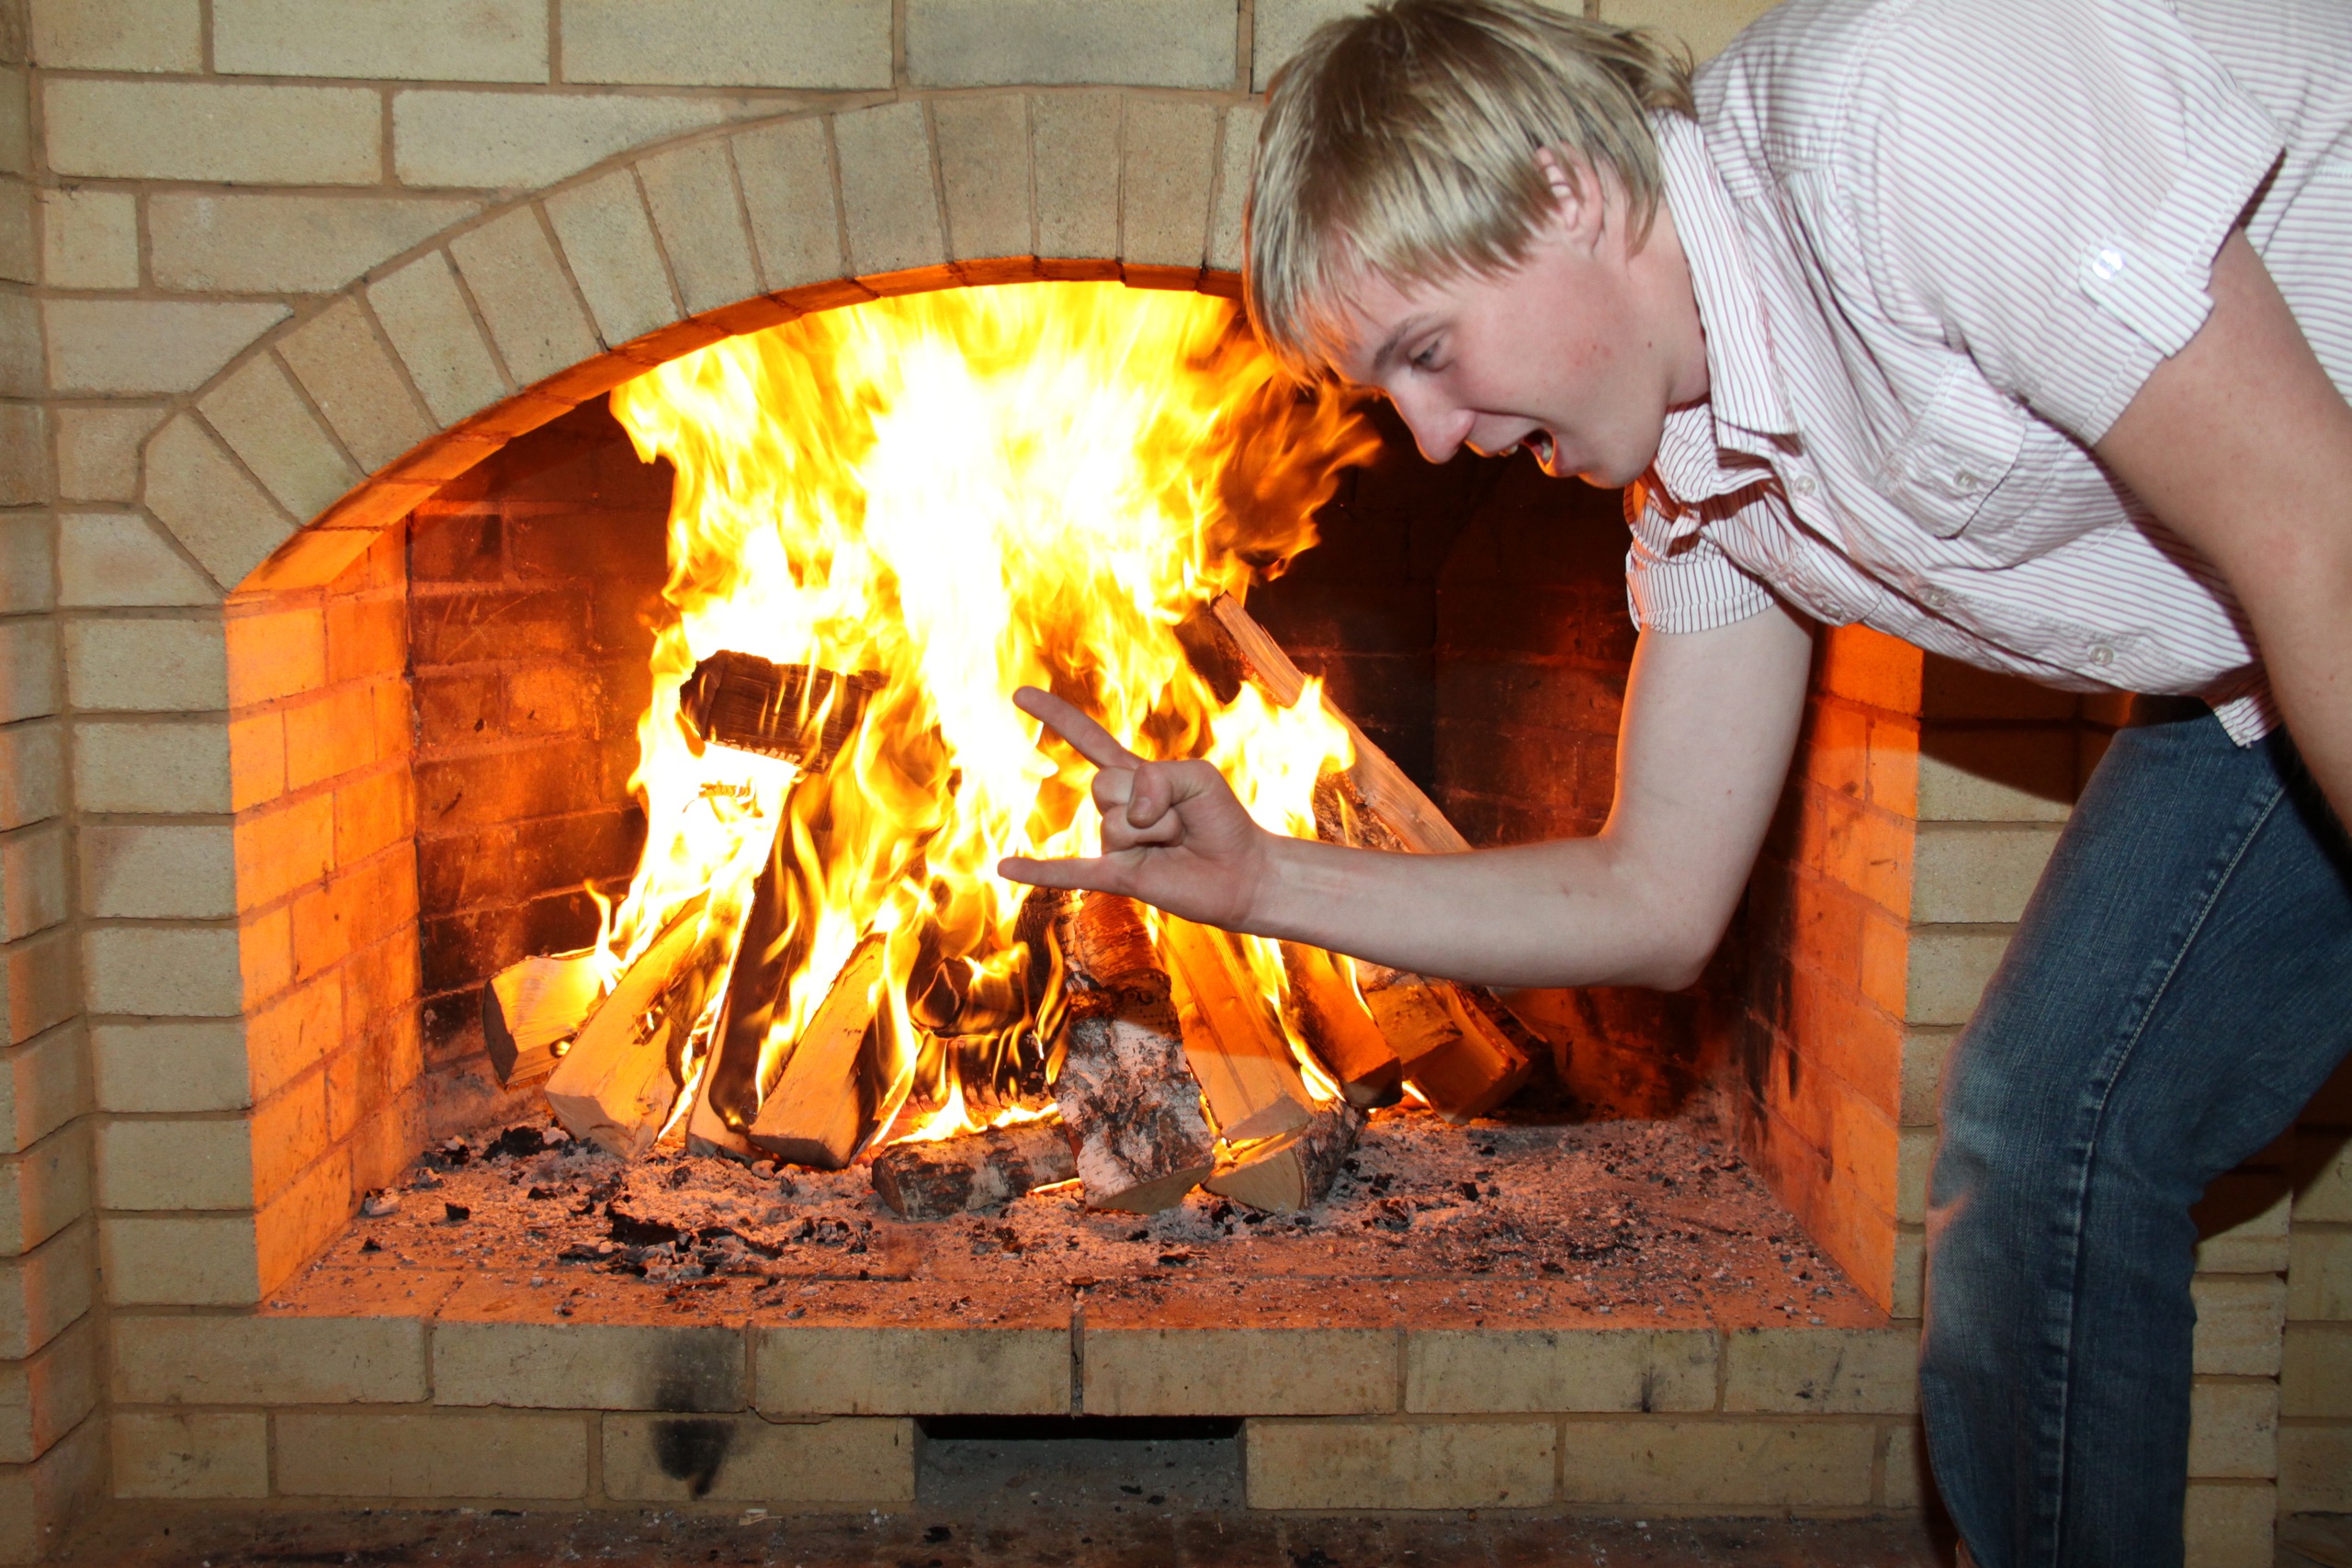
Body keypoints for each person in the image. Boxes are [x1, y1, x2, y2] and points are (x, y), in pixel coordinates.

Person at [997, 0, 2352, 1562]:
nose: (1429, 440)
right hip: (2271, 651)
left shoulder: (1903, 118)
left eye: (1428, 353)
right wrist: (1262, 882)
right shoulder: (1708, 483)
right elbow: (1655, 899)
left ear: (1565, 189)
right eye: (1389, 392)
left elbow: (2310, 527)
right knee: (2050, 1147)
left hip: (2323, 552)